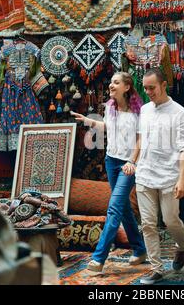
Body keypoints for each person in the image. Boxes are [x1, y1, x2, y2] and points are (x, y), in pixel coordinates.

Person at [71, 72, 147, 275]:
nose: (111, 85)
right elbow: (107, 128)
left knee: (113, 208)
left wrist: (132, 161)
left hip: (127, 165)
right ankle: (140, 249)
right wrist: (89, 121)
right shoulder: (110, 107)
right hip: (111, 161)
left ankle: (98, 258)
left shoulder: (138, 112)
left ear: (127, 87)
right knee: (123, 208)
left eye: (116, 82)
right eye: (111, 82)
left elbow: (141, 140)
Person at [135, 67, 184, 285]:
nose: (148, 91)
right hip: (145, 174)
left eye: (152, 88)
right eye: (145, 88)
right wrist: (133, 162)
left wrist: (182, 178)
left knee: (170, 220)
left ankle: (183, 246)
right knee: (148, 224)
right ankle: (156, 268)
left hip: (169, 175)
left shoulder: (180, 113)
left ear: (163, 85)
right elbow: (141, 140)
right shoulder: (145, 110)